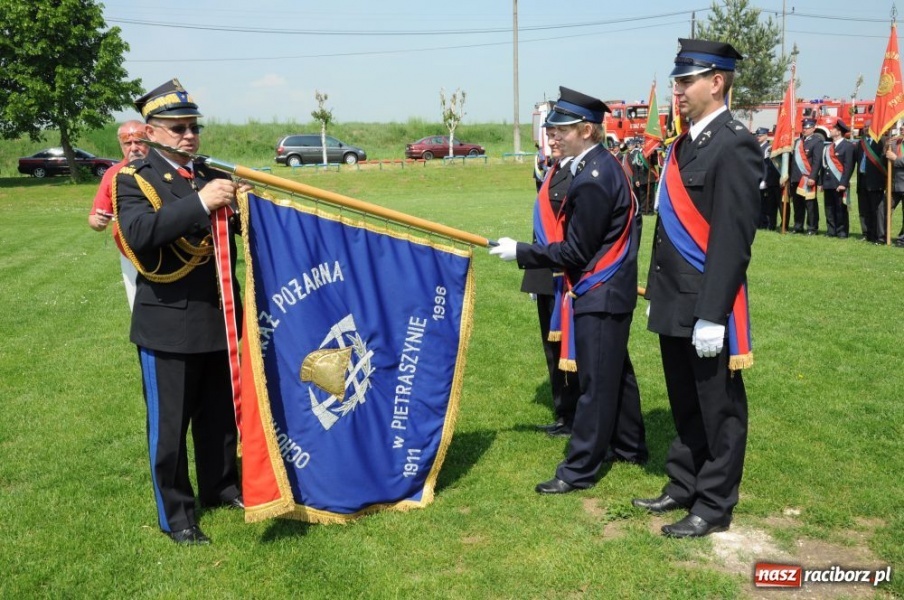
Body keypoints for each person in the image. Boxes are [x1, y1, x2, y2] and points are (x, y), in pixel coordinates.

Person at [491, 86, 647, 494]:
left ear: (587, 131)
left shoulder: (593, 178)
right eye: (552, 129)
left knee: (596, 383)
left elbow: (577, 250)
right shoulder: (596, 167)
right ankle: (629, 446)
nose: (553, 137)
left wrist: (523, 252)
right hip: (611, 289)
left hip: (600, 290)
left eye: (562, 130)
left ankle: (578, 469)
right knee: (618, 373)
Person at [633, 39, 760, 538]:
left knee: (719, 407)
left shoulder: (734, 143)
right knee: (684, 398)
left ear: (718, 81)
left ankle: (714, 502)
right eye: (677, 81)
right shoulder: (686, 143)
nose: (678, 90)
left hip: (706, 301)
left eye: (686, 81)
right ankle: (684, 482)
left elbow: (732, 238)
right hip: (673, 294)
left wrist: (713, 312)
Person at [115, 79, 247, 545]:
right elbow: (139, 234)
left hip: (217, 314)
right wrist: (199, 203)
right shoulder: (133, 180)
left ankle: (222, 485)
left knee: (219, 417)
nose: (189, 136)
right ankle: (178, 516)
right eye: (178, 128)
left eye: (194, 127)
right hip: (167, 323)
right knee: (169, 429)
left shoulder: (209, 174)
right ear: (151, 132)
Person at [521, 127, 580, 438]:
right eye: (551, 136)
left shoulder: (580, 174)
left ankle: (576, 415)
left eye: (559, 135)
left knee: (571, 348)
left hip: (567, 275)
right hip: (547, 272)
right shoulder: (554, 170)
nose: (553, 141)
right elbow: (542, 225)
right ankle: (564, 413)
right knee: (551, 348)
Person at [88, 120, 148, 309]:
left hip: (170, 253)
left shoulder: (164, 169)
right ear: (121, 146)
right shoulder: (113, 174)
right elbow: (94, 219)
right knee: (140, 313)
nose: (134, 148)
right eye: (128, 144)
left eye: (140, 142)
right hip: (130, 255)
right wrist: (98, 221)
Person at [785, 119, 822, 235]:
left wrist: (813, 177)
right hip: (796, 177)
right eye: (804, 127)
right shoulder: (798, 142)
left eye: (807, 127)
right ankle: (798, 226)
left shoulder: (817, 141)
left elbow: (817, 161)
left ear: (813, 128)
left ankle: (812, 228)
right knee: (797, 204)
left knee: (810, 204)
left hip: (807, 178)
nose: (804, 130)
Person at [820, 119, 854, 238]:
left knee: (840, 209)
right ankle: (831, 231)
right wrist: (821, 183)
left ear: (839, 132)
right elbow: (823, 167)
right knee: (828, 208)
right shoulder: (828, 147)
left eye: (833, 128)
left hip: (839, 183)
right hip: (828, 183)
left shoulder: (848, 146)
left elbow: (848, 167)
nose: (830, 130)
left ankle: (842, 231)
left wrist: (843, 183)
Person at [853, 122, 887, 243]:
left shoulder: (882, 141)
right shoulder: (860, 143)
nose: (866, 129)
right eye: (865, 127)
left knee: (876, 210)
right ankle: (866, 233)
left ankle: (879, 236)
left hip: (876, 182)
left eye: (869, 127)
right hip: (862, 180)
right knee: (864, 209)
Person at [754, 127, 781, 230]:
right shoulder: (757, 147)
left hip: (765, 179)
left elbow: (767, 166)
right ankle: (759, 222)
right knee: (758, 203)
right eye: (757, 135)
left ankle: (765, 222)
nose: (758, 137)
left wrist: (765, 179)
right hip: (757, 178)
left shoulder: (768, 148)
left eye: (760, 135)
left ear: (766, 136)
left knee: (766, 204)